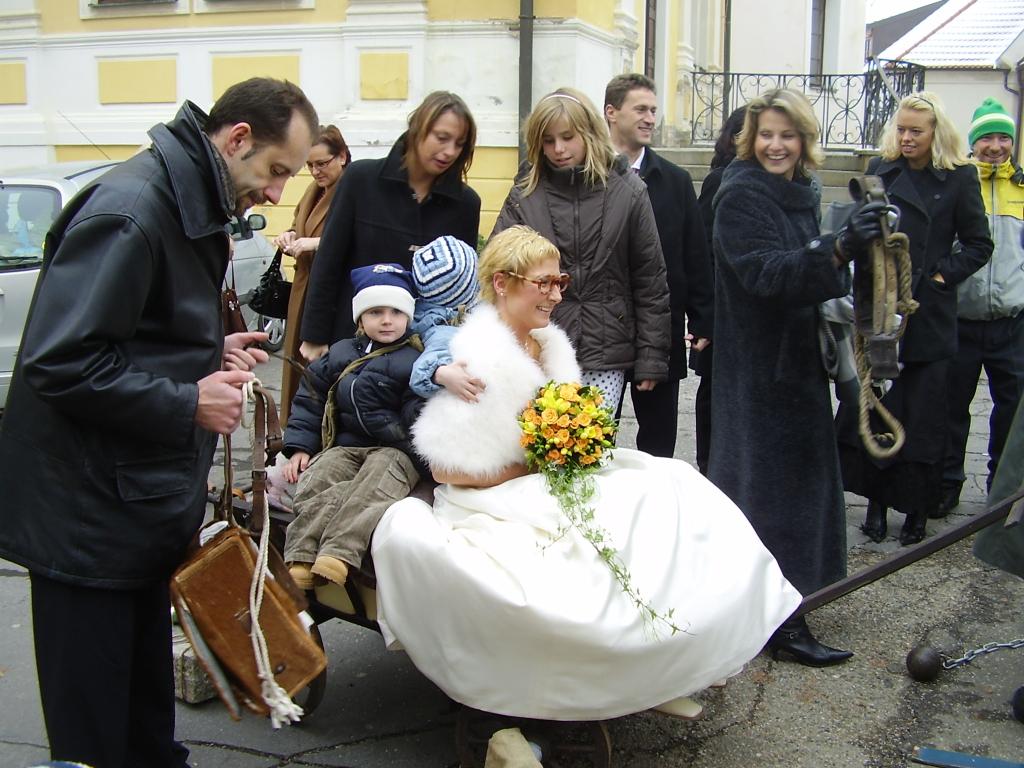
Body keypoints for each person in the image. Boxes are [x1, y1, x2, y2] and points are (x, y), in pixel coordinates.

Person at [0, 77, 317, 768]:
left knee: (141, 714)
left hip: (130, 507)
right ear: (237, 139)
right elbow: (60, 362)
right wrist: (187, 400)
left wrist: (207, 352)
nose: (276, 193)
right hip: (88, 520)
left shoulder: (181, 199)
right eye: (275, 170)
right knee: (95, 733)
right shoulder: (135, 210)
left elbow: (132, 337)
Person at [370, 225, 802, 721]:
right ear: (502, 284)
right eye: (544, 283)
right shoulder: (476, 356)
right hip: (490, 500)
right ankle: (622, 674)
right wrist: (540, 459)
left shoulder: (549, 344)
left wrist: (577, 441)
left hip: (550, 479)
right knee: (585, 556)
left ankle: (663, 664)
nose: (556, 295)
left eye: (560, 282)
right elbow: (446, 468)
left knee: (672, 488)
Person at [710, 88, 890, 666]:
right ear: (750, 138)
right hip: (759, 374)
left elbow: (811, 271)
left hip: (798, 366)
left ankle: (785, 601)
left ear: (804, 141)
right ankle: (780, 624)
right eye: (766, 134)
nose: (776, 145)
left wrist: (853, 247)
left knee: (798, 491)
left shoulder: (799, 192)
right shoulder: (740, 196)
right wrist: (836, 249)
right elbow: (767, 275)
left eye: (787, 135)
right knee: (769, 497)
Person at [836, 91, 993, 545]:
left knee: (924, 419)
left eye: (916, 131)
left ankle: (918, 511)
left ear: (935, 133)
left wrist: (941, 277)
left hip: (928, 315)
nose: (906, 138)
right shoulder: (879, 172)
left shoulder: (959, 178)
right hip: (881, 309)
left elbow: (979, 244)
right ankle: (877, 505)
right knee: (879, 407)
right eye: (901, 129)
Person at [491, 87, 670, 415]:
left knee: (592, 442)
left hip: (606, 350)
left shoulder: (627, 191)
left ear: (588, 132)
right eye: (548, 141)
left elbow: (650, 279)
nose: (558, 149)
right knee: (536, 441)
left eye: (567, 137)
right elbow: (497, 272)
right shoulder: (525, 192)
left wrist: (651, 355)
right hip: (539, 346)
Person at [299, 91, 481, 358]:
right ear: (418, 128)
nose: (450, 151)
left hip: (420, 351)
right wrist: (314, 335)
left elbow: (460, 290)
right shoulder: (361, 179)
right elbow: (329, 260)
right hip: (351, 341)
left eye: (460, 144)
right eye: (442, 138)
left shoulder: (465, 204)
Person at [282, 264, 425, 590]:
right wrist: (301, 446)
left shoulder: (416, 360)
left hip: (395, 449)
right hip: (346, 444)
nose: (387, 320)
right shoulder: (341, 352)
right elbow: (311, 396)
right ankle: (301, 555)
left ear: (408, 316)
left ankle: (338, 553)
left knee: (374, 486)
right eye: (375, 312)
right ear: (360, 318)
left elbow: (418, 408)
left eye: (396, 312)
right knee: (319, 478)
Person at [603, 73, 713, 458]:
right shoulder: (588, 174)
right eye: (641, 110)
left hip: (660, 328)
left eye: (653, 110)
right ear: (612, 112)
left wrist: (703, 318)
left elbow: (694, 254)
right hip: (602, 329)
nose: (650, 118)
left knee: (658, 444)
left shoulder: (675, 181)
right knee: (592, 439)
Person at [937, 97, 1024, 516]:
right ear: (973, 143)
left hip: (1011, 320)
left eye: (1003, 138)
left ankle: (1001, 490)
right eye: (986, 138)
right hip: (961, 318)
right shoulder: (958, 183)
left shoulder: (1021, 188)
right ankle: (947, 483)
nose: (995, 146)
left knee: (1011, 410)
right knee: (952, 408)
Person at [272, 124, 351, 424]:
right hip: (302, 288)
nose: (316, 171)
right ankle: (294, 429)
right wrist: (289, 236)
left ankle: (318, 430)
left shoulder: (351, 190)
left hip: (331, 294)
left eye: (322, 163)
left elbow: (355, 238)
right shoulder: (313, 191)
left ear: (341, 156)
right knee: (296, 365)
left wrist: (317, 243)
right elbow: (299, 225)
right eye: (309, 165)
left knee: (320, 369)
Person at [692, 106, 746, 474]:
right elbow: (704, 251)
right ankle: (709, 465)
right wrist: (706, 318)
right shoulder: (719, 181)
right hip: (723, 309)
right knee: (714, 391)